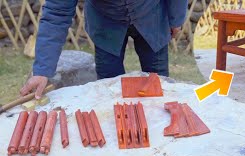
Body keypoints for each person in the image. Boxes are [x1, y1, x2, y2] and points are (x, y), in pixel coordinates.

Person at [20, 0, 188, 99]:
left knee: (159, 87)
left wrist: (176, 19)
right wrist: (42, 70)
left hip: (152, 17)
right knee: (108, 92)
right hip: (105, 22)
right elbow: (57, 13)